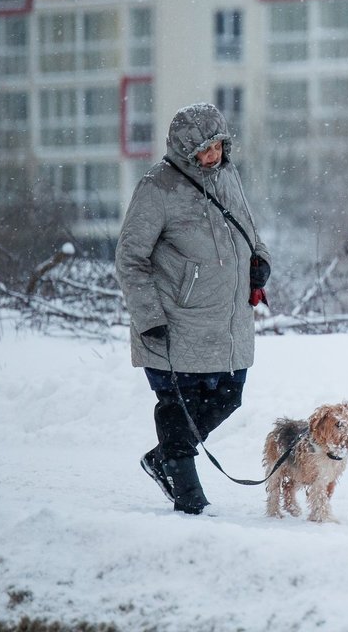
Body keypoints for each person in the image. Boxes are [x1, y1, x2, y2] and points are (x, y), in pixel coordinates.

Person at [115, 103, 271, 514]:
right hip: (174, 324)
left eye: (218, 145)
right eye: (204, 148)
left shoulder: (228, 176)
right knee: (176, 406)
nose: (213, 154)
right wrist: (149, 317)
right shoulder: (157, 187)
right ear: (185, 150)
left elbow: (250, 230)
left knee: (229, 395)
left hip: (229, 321)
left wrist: (260, 259)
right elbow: (131, 258)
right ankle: (188, 495)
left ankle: (162, 457)